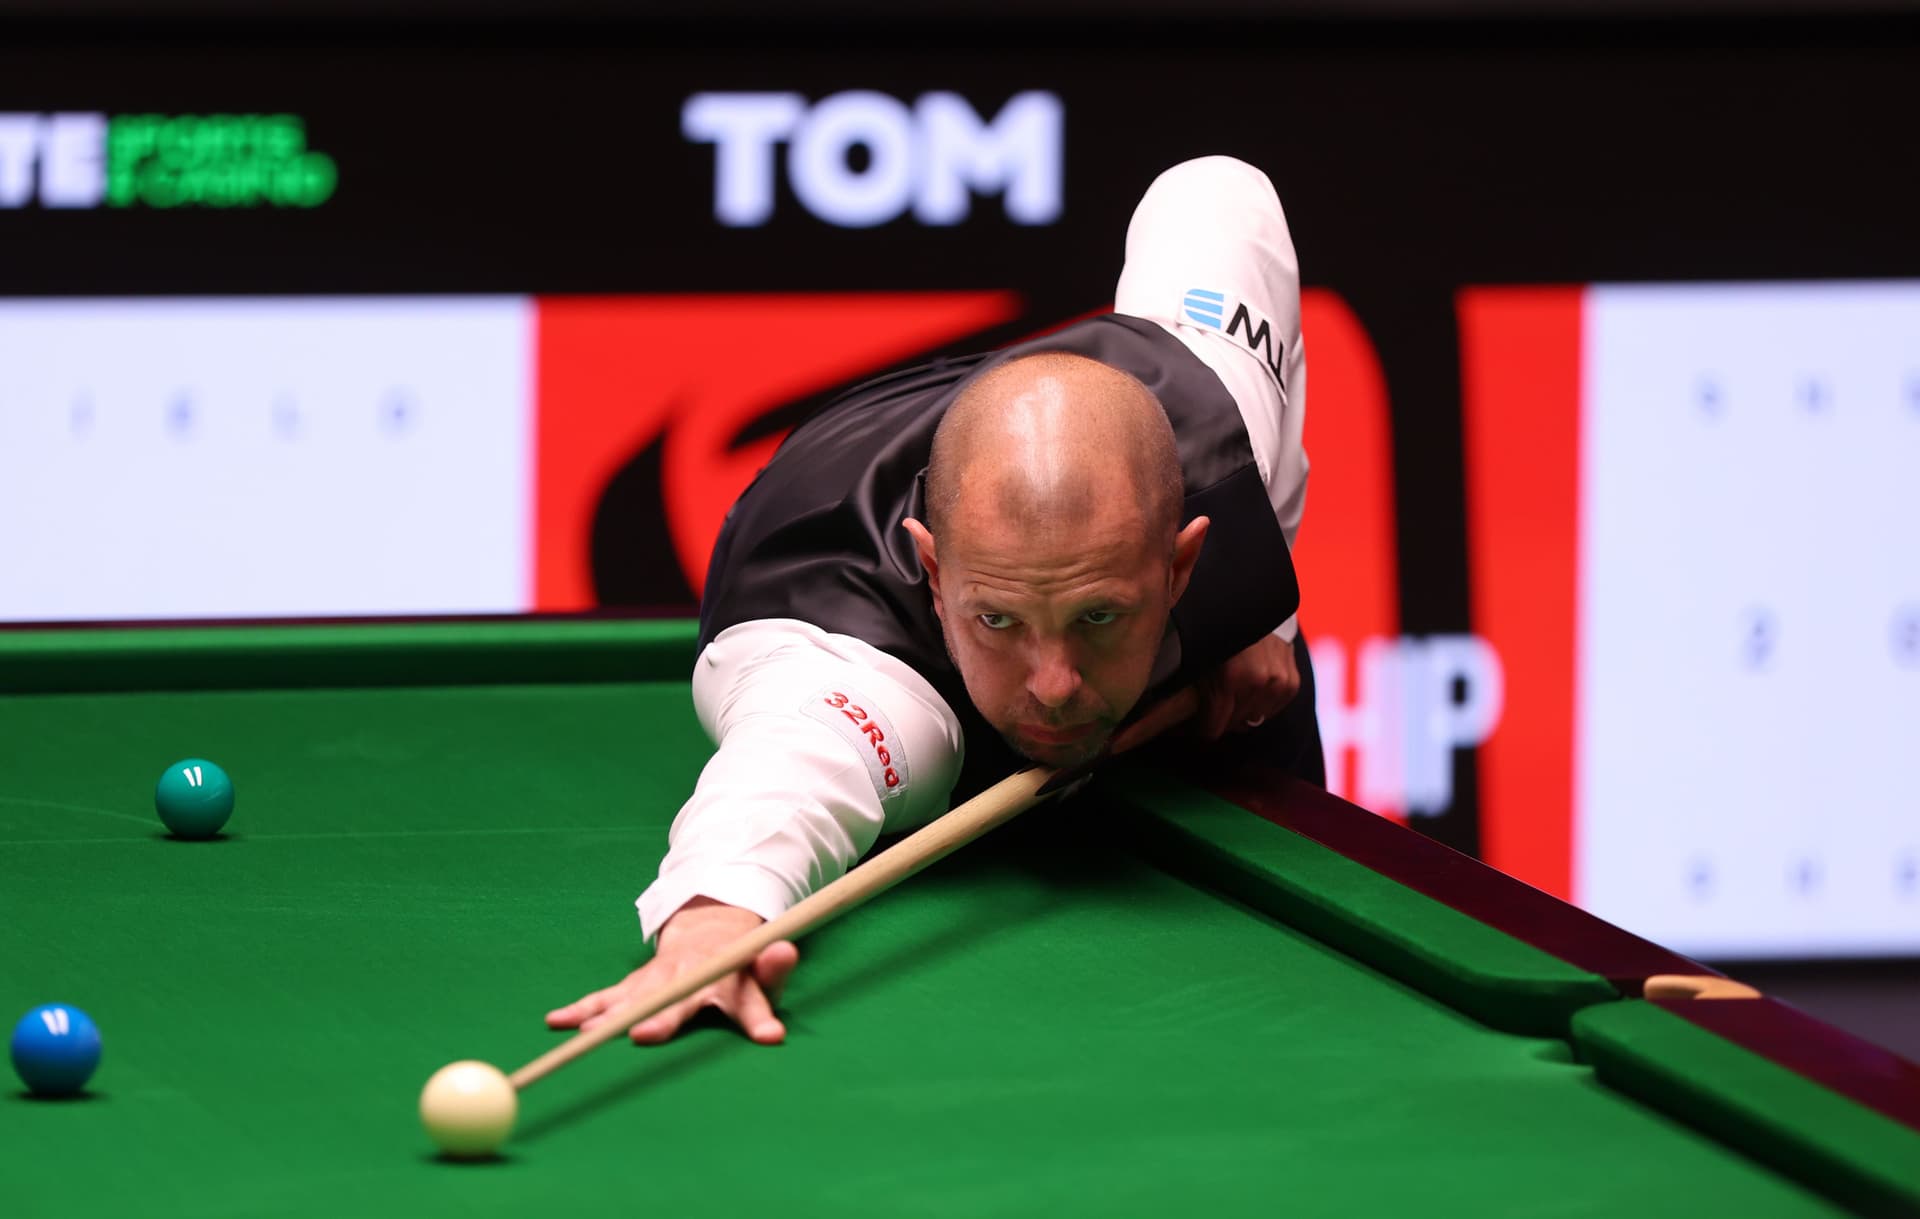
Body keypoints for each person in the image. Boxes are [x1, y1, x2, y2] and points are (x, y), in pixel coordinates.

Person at [547, 155, 1319, 1047]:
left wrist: (1264, 607)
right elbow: (791, 774)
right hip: (820, 531)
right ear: (935, 572)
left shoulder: (1217, 421)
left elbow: (1219, 190)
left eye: (1098, 617)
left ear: (1183, 564)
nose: (1056, 684)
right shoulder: (858, 668)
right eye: (999, 621)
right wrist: (716, 916)